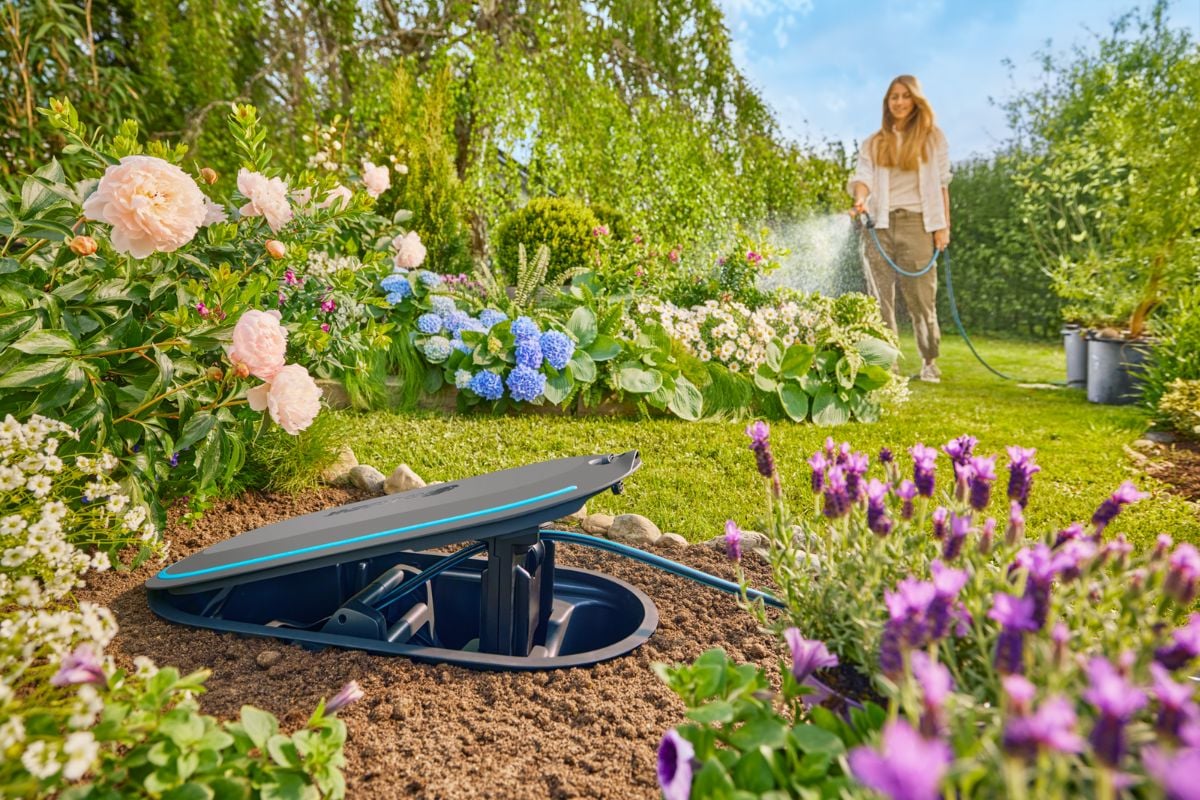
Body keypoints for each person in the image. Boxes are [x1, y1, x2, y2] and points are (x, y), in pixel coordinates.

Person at [848, 74, 952, 383]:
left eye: (905, 96)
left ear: (916, 100)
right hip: (879, 226)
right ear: (887, 102)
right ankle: (887, 366)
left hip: (918, 224)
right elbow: (862, 177)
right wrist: (860, 200)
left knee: (922, 299)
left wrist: (942, 227)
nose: (899, 102)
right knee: (879, 299)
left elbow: (943, 184)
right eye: (894, 96)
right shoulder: (874, 142)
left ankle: (929, 360)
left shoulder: (933, 139)